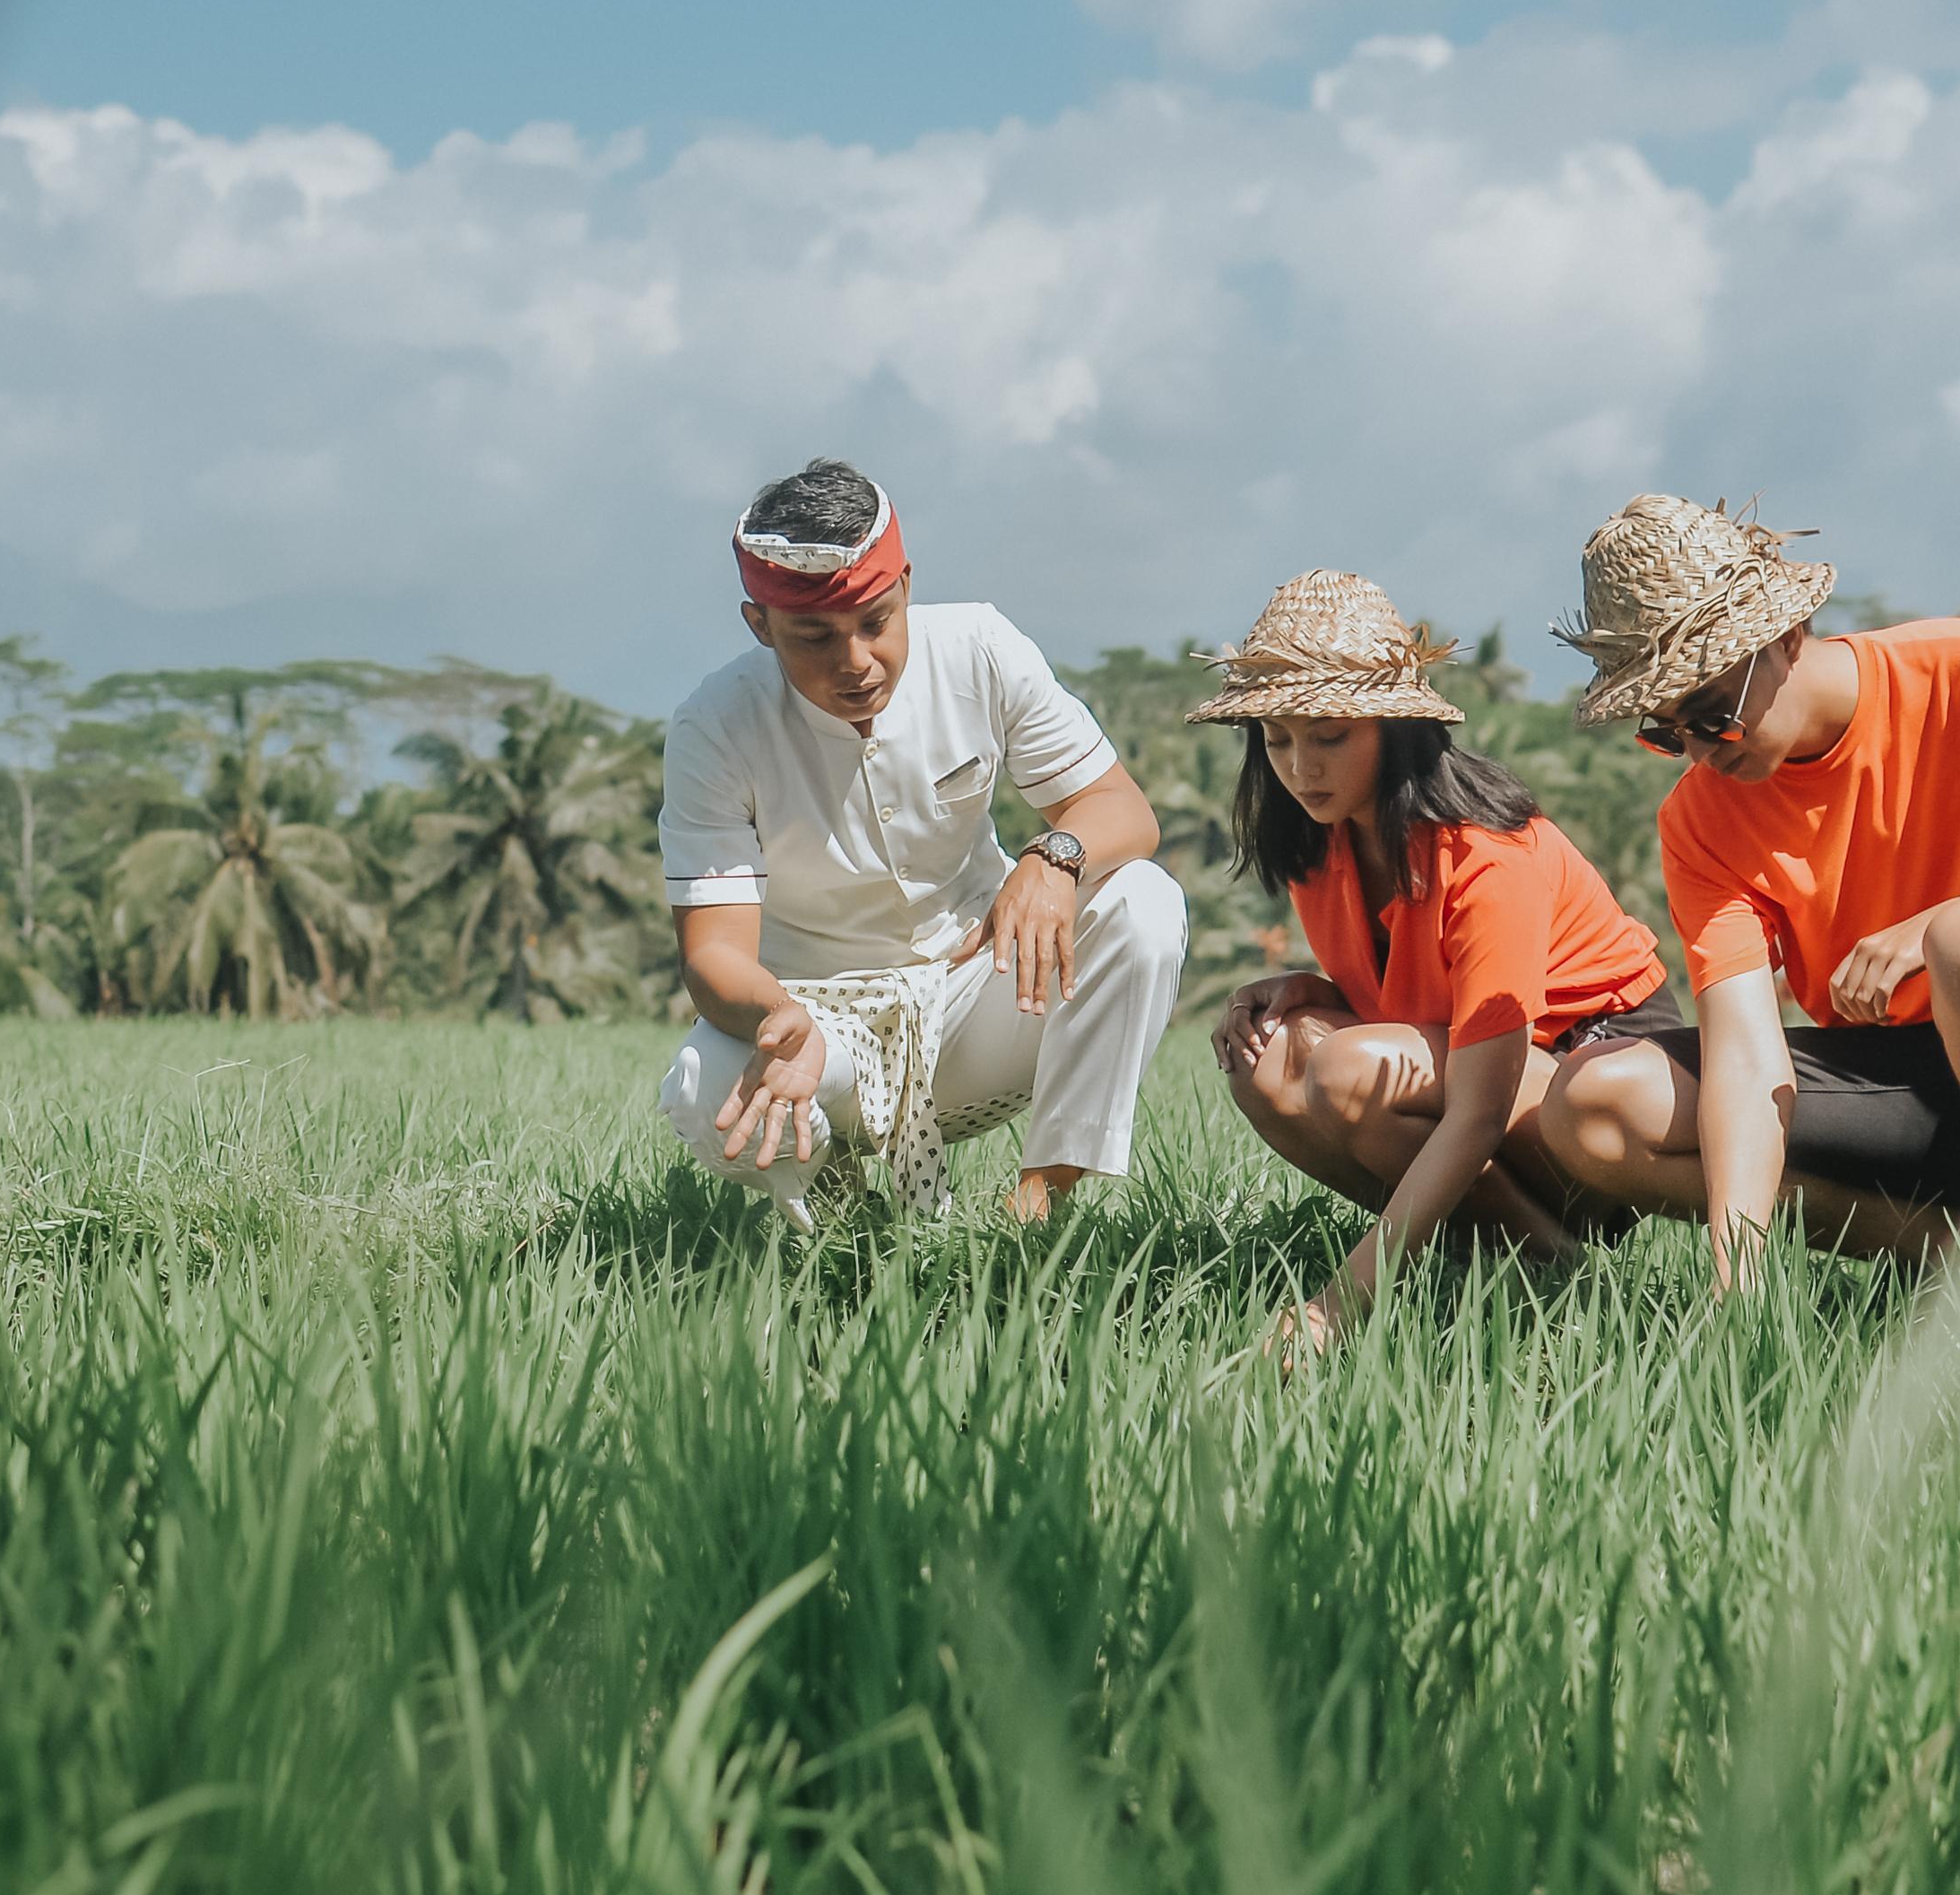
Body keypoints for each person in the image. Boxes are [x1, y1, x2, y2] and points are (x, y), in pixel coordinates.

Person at [1537, 496, 1960, 1314]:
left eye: (1713, 717)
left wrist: (1950, 924)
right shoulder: (1697, 823)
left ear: (1785, 639)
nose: (1698, 753)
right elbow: (1747, 1059)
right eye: (1665, 730)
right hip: (1926, 1086)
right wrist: (1738, 1284)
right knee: (1596, 1101)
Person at [655, 457, 1185, 1225]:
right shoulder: (715, 725)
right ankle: (847, 1230)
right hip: (822, 1031)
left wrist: (1053, 858)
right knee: (706, 1078)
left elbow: (1118, 809)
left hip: (977, 1002)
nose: (856, 662)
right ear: (759, 623)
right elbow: (713, 955)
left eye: (876, 621)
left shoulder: (980, 647)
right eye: (814, 638)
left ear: (905, 583)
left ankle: (1036, 1208)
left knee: (1144, 898)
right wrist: (781, 1019)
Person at [1190, 571, 1680, 1349]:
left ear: (1395, 729)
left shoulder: (1485, 854)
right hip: (1485, 1072)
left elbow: (1481, 1102)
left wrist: (1333, 1306)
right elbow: (1415, 1000)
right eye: (1275, 739)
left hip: (1596, 1083)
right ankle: (1477, 1252)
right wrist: (1305, 987)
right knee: (1265, 1057)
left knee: (1347, 1070)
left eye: (1328, 736)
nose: (1299, 768)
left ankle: (1552, 1269)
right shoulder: (1322, 844)